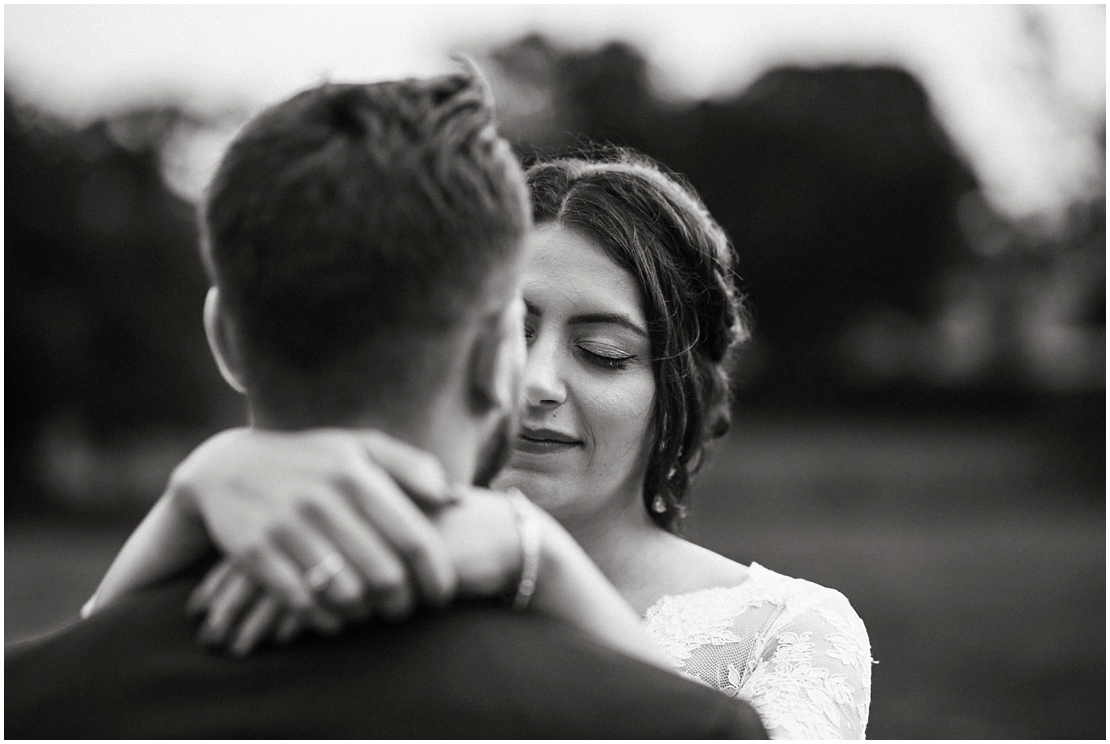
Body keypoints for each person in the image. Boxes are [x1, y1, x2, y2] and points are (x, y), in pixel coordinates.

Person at [5, 73, 769, 739]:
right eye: (523, 332)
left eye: (603, 353)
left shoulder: (30, 697)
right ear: (490, 357)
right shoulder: (671, 725)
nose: (541, 382)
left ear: (224, 339)